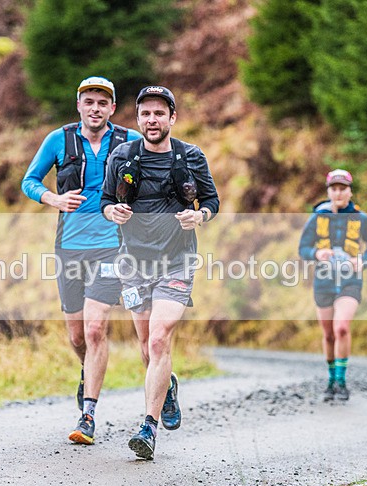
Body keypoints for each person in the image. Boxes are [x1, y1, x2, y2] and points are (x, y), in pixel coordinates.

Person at [101, 85, 219, 460]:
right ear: (137, 120)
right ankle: (166, 388)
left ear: (172, 117)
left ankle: (148, 428)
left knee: (158, 339)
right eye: (145, 114)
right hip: (133, 262)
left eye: (159, 113)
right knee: (145, 344)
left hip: (177, 261)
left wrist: (199, 215)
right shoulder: (122, 155)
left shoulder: (191, 156)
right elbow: (106, 200)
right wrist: (112, 212)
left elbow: (212, 201)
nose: (152, 120)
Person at [21, 76, 141, 445]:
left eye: (102, 103)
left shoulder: (130, 141)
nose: (95, 108)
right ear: (79, 106)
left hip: (112, 247)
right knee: (76, 336)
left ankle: (88, 414)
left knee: (94, 330)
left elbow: (155, 177)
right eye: (88, 101)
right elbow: (30, 181)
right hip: (69, 247)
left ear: (112, 109)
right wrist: (52, 199)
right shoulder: (59, 139)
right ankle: (87, 371)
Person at [299, 169, 367, 402]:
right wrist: (317, 253)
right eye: (333, 189)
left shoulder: (360, 217)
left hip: (349, 281)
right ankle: (331, 379)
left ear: (349, 191)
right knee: (328, 334)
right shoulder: (317, 217)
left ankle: (342, 381)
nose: (338, 193)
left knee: (341, 327)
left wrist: (362, 260)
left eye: (342, 188)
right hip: (323, 281)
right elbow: (302, 249)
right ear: (328, 191)